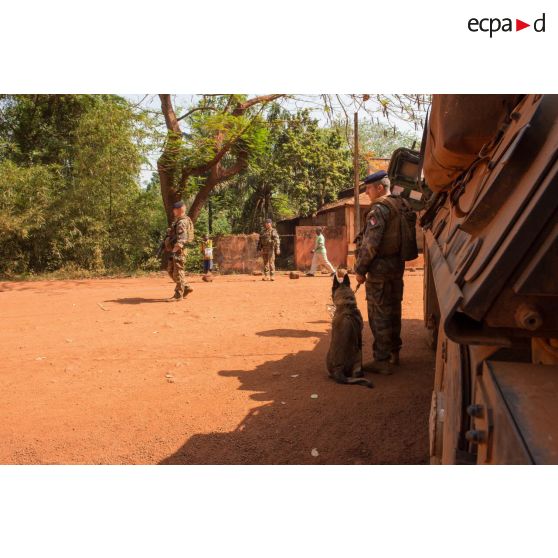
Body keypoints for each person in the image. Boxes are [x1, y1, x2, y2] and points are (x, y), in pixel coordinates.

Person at [354, 170, 405, 375]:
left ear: (380, 188)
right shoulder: (400, 204)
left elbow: (370, 244)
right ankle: (394, 353)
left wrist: (360, 269)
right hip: (396, 267)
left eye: (368, 188)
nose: (367, 192)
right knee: (394, 309)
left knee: (378, 313)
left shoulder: (379, 210)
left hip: (380, 269)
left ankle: (381, 360)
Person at [166, 200, 194, 300]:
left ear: (179, 210)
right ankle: (185, 287)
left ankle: (178, 294)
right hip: (175, 250)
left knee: (178, 272)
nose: (173, 211)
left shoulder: (182, 222)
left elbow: (182, 239)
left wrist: (174, 251)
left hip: (178, 251)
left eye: (174, 209)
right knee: (170, 270)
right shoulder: (179, 221)